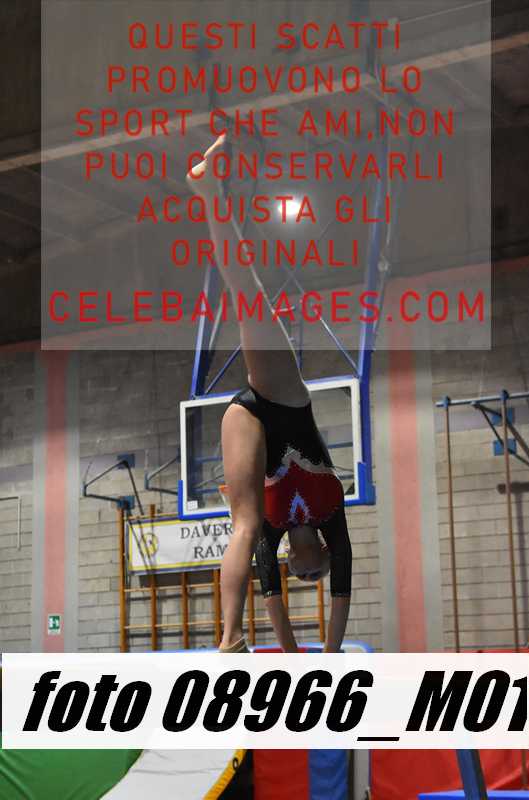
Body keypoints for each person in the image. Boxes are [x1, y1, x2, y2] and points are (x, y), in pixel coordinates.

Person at [187, 134, 352, 653]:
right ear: (323, 554)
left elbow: (272, 597)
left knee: (243, 525)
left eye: (300, 578)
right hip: (282, 397)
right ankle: (210, 192)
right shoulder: (331, 513)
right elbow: (343, 596)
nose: (306, 577)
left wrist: (294, 656)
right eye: (316, 575)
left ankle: (229, 638)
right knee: (248, 296)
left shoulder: (274, 529)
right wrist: (328, 659)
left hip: (245, 419)